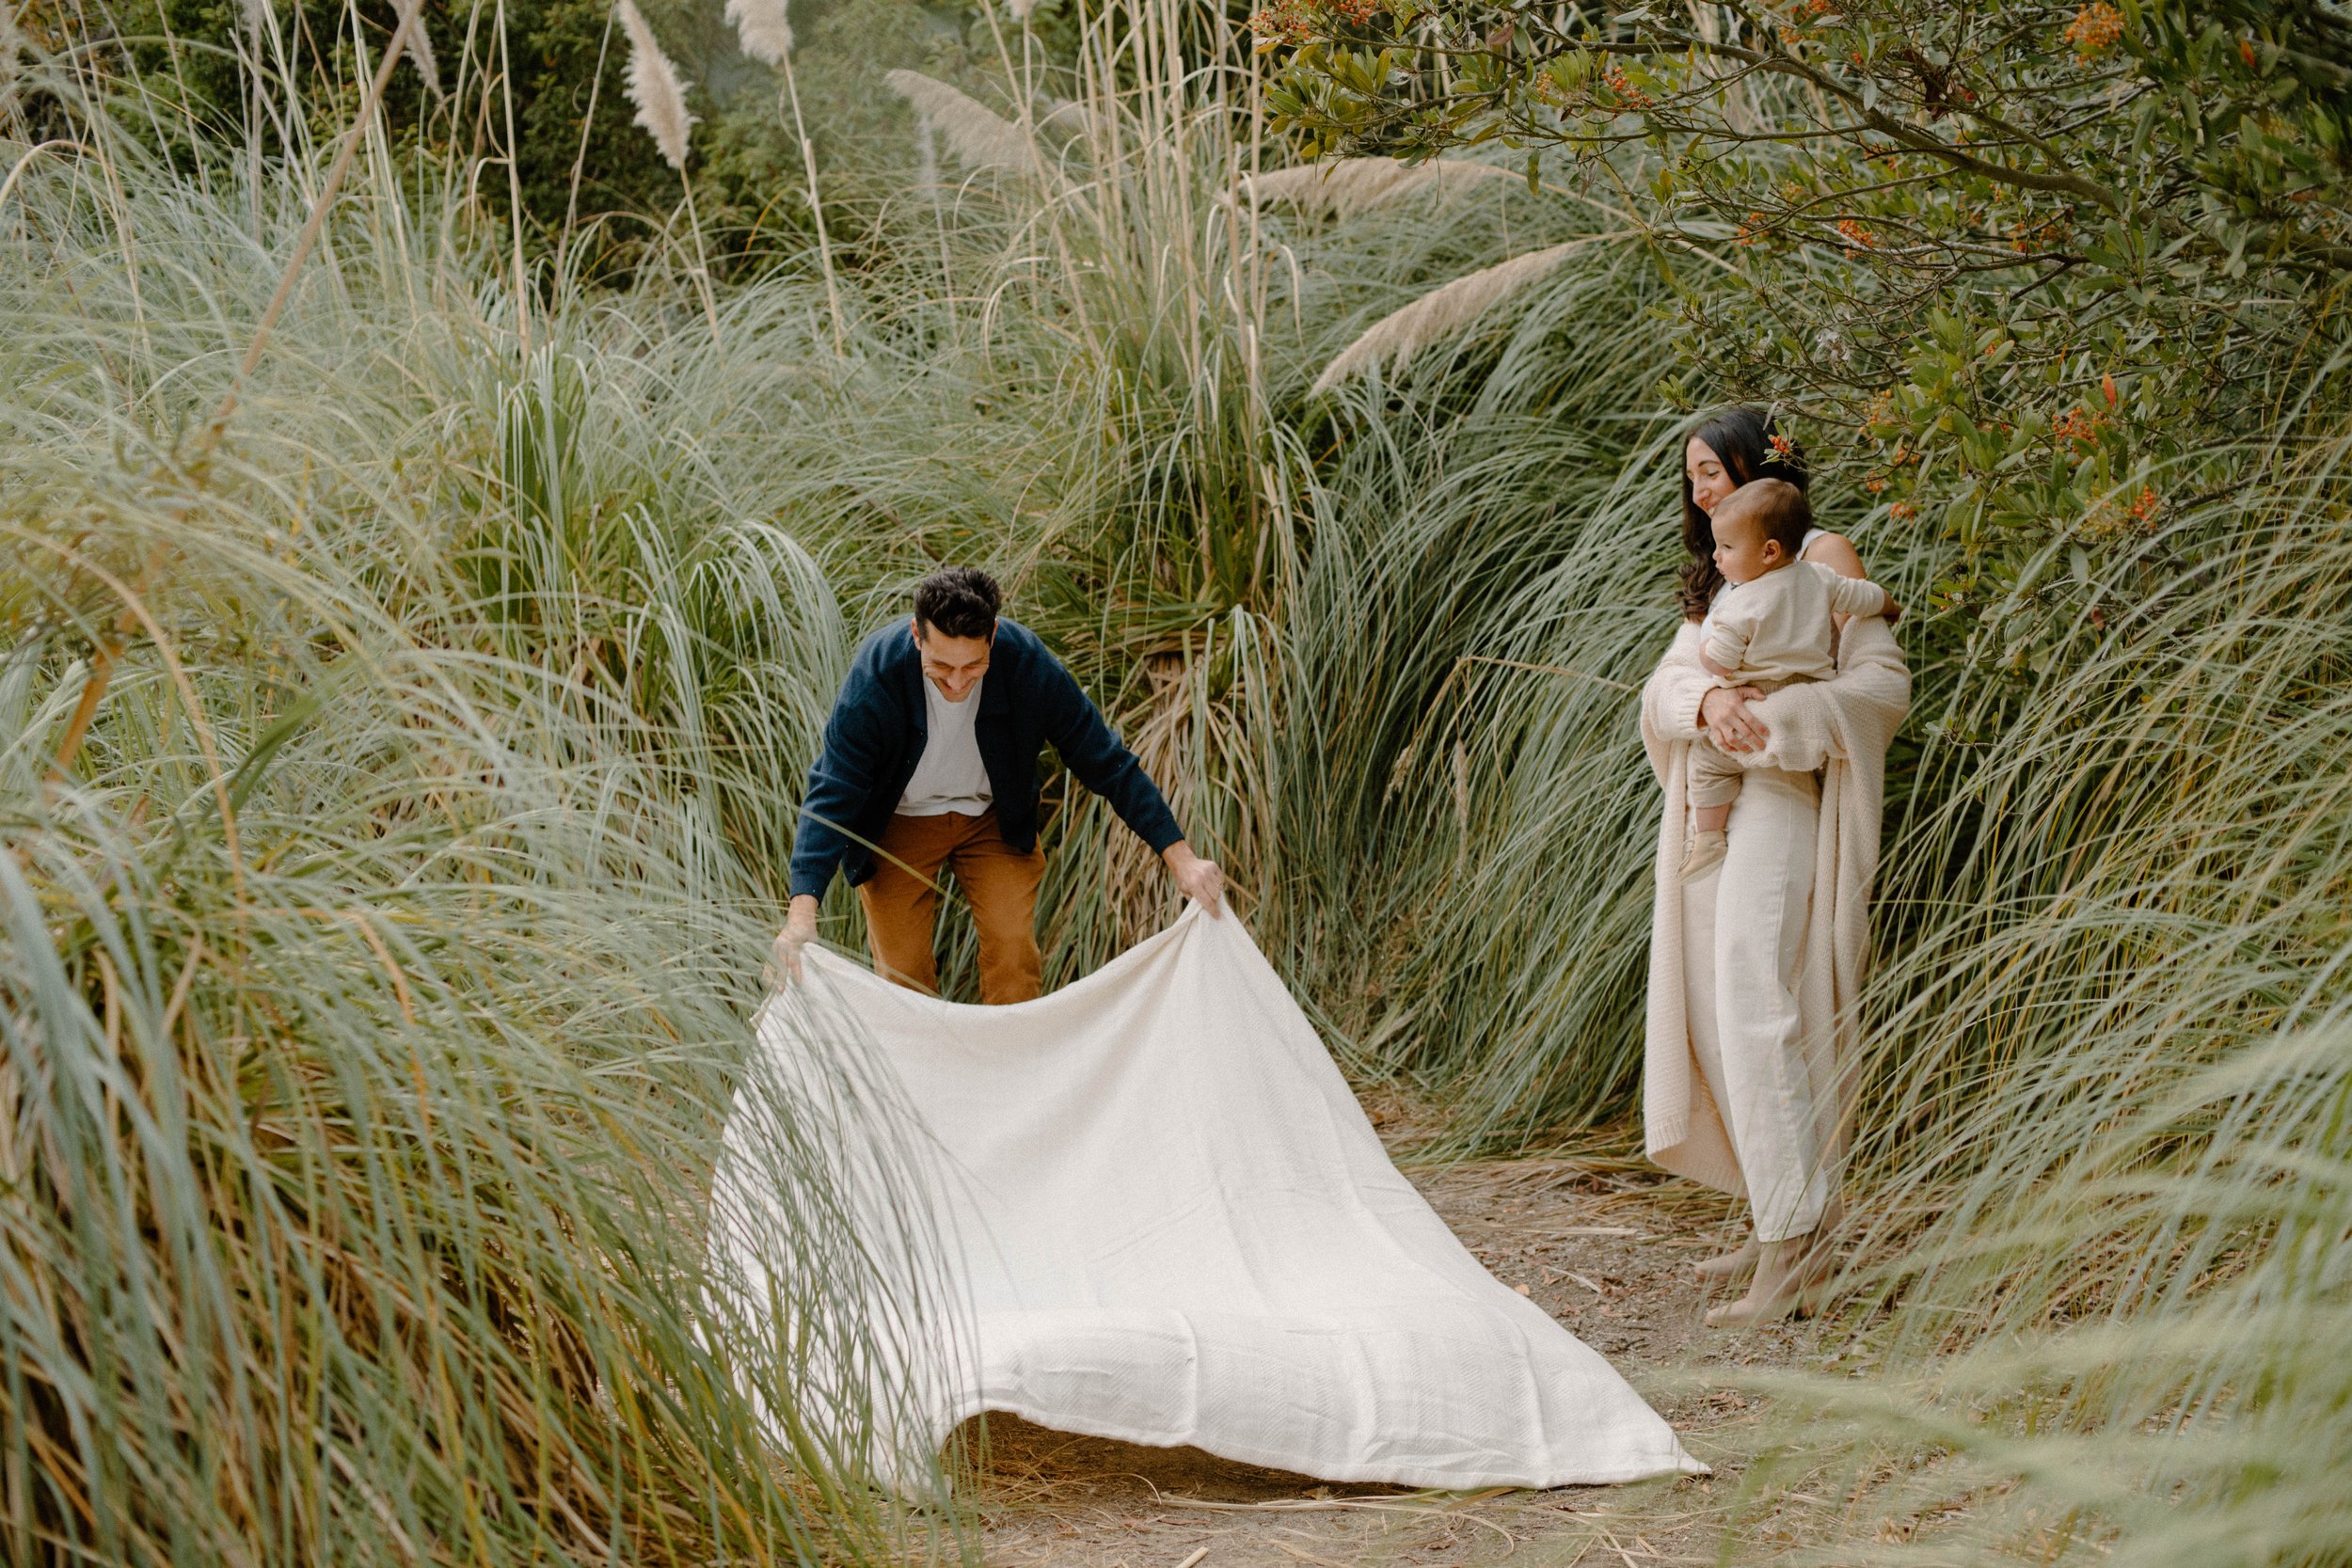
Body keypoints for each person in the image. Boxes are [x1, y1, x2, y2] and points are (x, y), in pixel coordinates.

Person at [1636, 408, 1911, 1327]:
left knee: (1760, 1002)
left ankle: (1793, 1253)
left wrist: (1766, 729)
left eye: (1712, 470)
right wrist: (1711, 700)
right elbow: (1668, 683)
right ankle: (1781, 1217)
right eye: (1692, 476)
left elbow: (1878, 688)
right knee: (1727, 1012)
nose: (1698, 488)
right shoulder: (1726, 569)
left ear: (1757, 469)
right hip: (1713, 811)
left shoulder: (1819, 556)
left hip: (1781, 796)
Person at [772, 566, 1225, 1004]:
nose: (955, 683)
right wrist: (801, 912)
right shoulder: (878, 673)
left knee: (1014, 956)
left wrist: (1181, 858)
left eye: (972, 667)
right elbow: (834, 788)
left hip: (991, 819)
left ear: (992, 638)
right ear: (916, 635)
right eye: (941, 665)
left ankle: (1014, 1074)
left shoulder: (1025, 661)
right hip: (900, 822)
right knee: (902, 975)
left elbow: (1106, 761)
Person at [1681, 478, 1898, 880]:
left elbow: (1721, 664)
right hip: (1812, 686)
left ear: (1768, 551)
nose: (1716, 558)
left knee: (1709, 759)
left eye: (1726, 548)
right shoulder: (1820, 578)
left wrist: (1705, 654)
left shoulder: (1740, 604)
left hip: (1762, 696)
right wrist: (1889, 604)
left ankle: (1708, 835)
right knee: (1818, 770)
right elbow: (1864, 595)